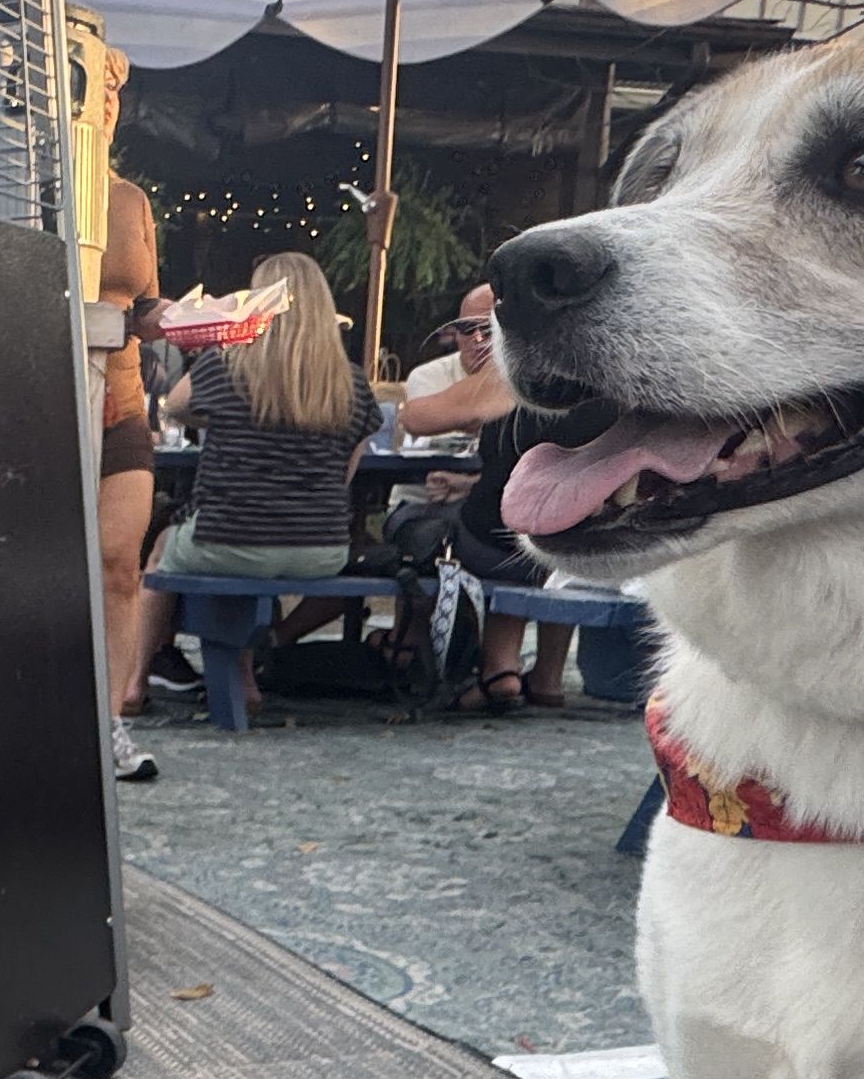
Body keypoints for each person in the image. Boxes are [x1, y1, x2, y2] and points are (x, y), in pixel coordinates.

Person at [127, 249, 381, 696]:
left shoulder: (226, 365)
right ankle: (246, 673)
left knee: (164, 547)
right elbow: (345, 474)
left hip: (228, 539)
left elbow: (176, 406)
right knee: (265, 544)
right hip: (319, 550)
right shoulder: (352, 383)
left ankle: (133, 684)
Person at [389, 282, 577, 712]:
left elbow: (417, 418)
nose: (479, 339)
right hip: (561, 534)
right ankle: (511, 671)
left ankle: (473, 664)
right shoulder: (581, 371)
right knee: (522, 539)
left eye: (489, 329)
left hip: (499, 535)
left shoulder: (516, 371)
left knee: (420, 529)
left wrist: (480, 404)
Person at [93, 171, 166, 783]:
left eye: (117, 87)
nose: (107, 99)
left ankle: (108, 722)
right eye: (96, 83)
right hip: (40, 391)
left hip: (124, 400)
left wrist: (194, 316)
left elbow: (143, 309)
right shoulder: (21, 180)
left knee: (120, 563)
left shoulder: (129, 199)